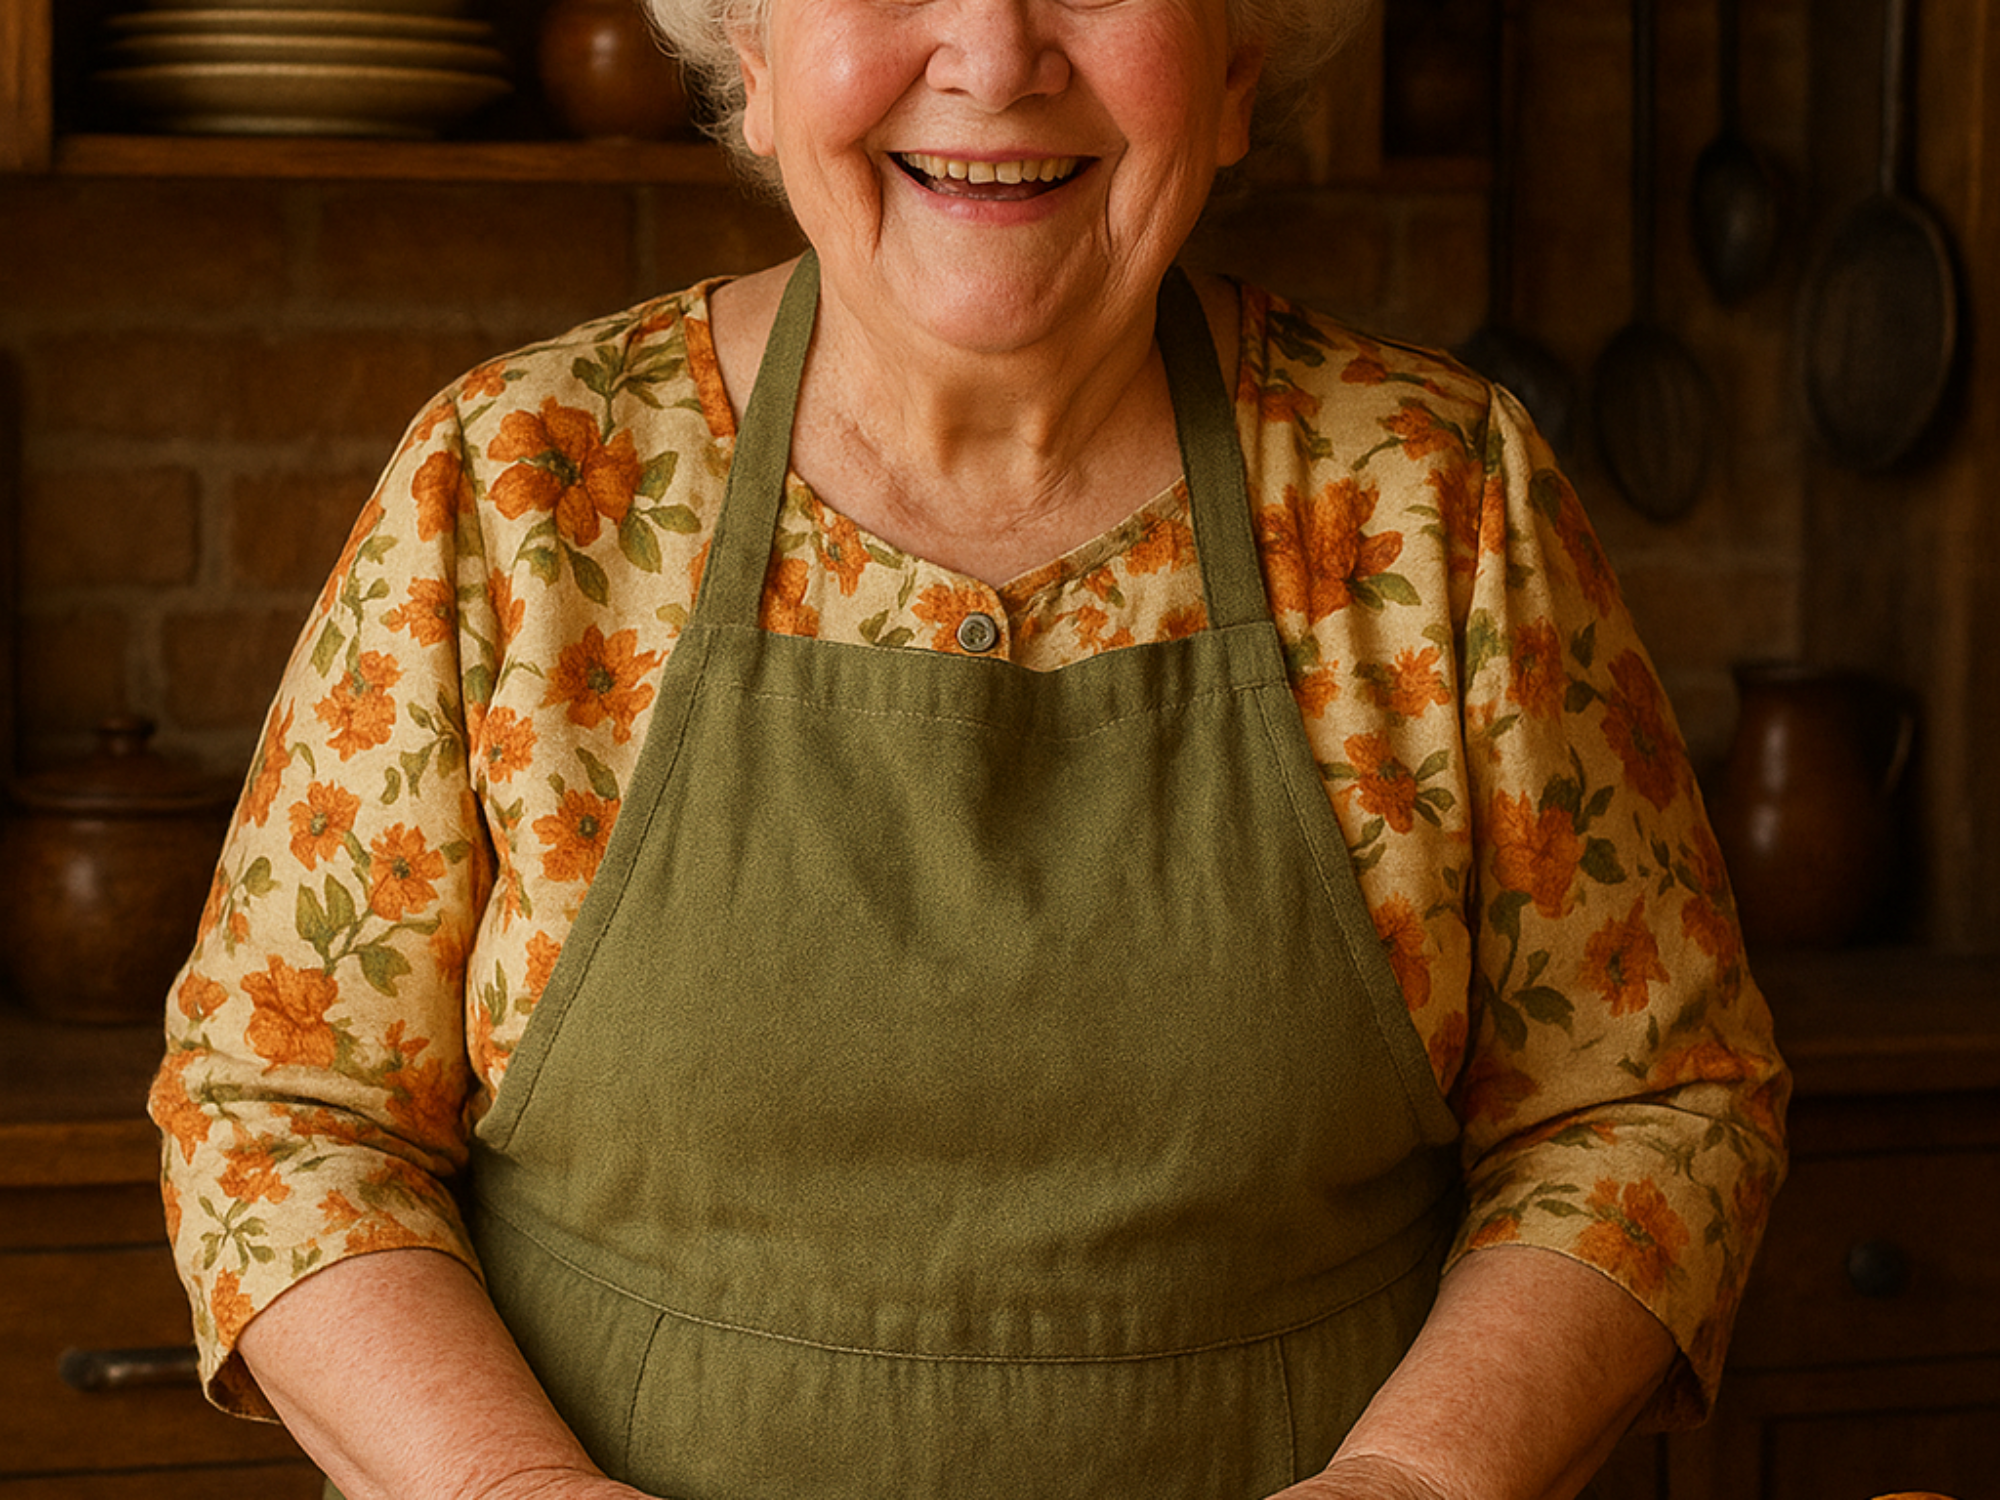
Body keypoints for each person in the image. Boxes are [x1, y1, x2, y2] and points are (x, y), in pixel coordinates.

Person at [149, 1, 1789, 1497]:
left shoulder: (1438, 504)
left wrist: (1417, 1485)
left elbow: (1646, 1105)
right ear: (754, 55)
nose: (995, 59)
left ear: (1236, 68)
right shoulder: (514, 495)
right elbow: (281, 1112)